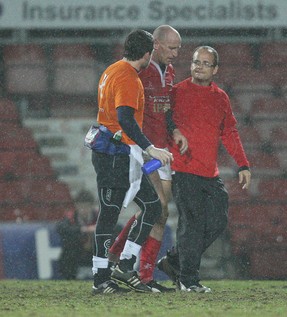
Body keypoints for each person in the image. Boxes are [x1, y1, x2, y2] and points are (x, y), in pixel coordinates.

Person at [157, 46, 251, 293]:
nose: (199, 66)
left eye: (206, 63)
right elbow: (162, 123)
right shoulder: (176, 93)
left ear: (215, 69)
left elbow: (229, 132)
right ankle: (189, 280)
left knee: (218, 222)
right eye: (196, 62)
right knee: (193, 223)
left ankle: (174, 261)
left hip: (210, 173)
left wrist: (243, 163)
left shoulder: (220, 98)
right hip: (183, 169)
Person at [89, 29, 175, 295]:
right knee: (110, 213)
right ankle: (101, 277)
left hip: (112, 150)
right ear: (147, 54)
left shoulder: (112, 69)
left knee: (152, 206)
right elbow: (125, 117)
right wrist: (150, 147)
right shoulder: (129, 78)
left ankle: (125, 263)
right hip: (115, 155)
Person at [107, 25, 187, 293]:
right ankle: (137, 270)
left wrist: (174, 130)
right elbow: (126, 109)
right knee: (159, 209)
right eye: (171, 47)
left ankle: (119, 257)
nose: (176, 53)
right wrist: (144, 143)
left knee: (157, 214)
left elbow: (165, 111)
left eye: (178, 48)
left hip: (162, 150)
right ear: (156, 45)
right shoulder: (140, 72)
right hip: (145, 150)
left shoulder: (169, 72)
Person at [56, 190, 97, 280]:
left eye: (86, 207)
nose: (84, 210)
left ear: (91, 206)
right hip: (77, 252)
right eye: (81, 207)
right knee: (68, 249)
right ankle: (69, 278)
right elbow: (60, 228)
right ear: (76, 206)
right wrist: (82, 230)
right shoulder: (71, 218)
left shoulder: (99, 217)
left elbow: (115, 228)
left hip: (94, 251)